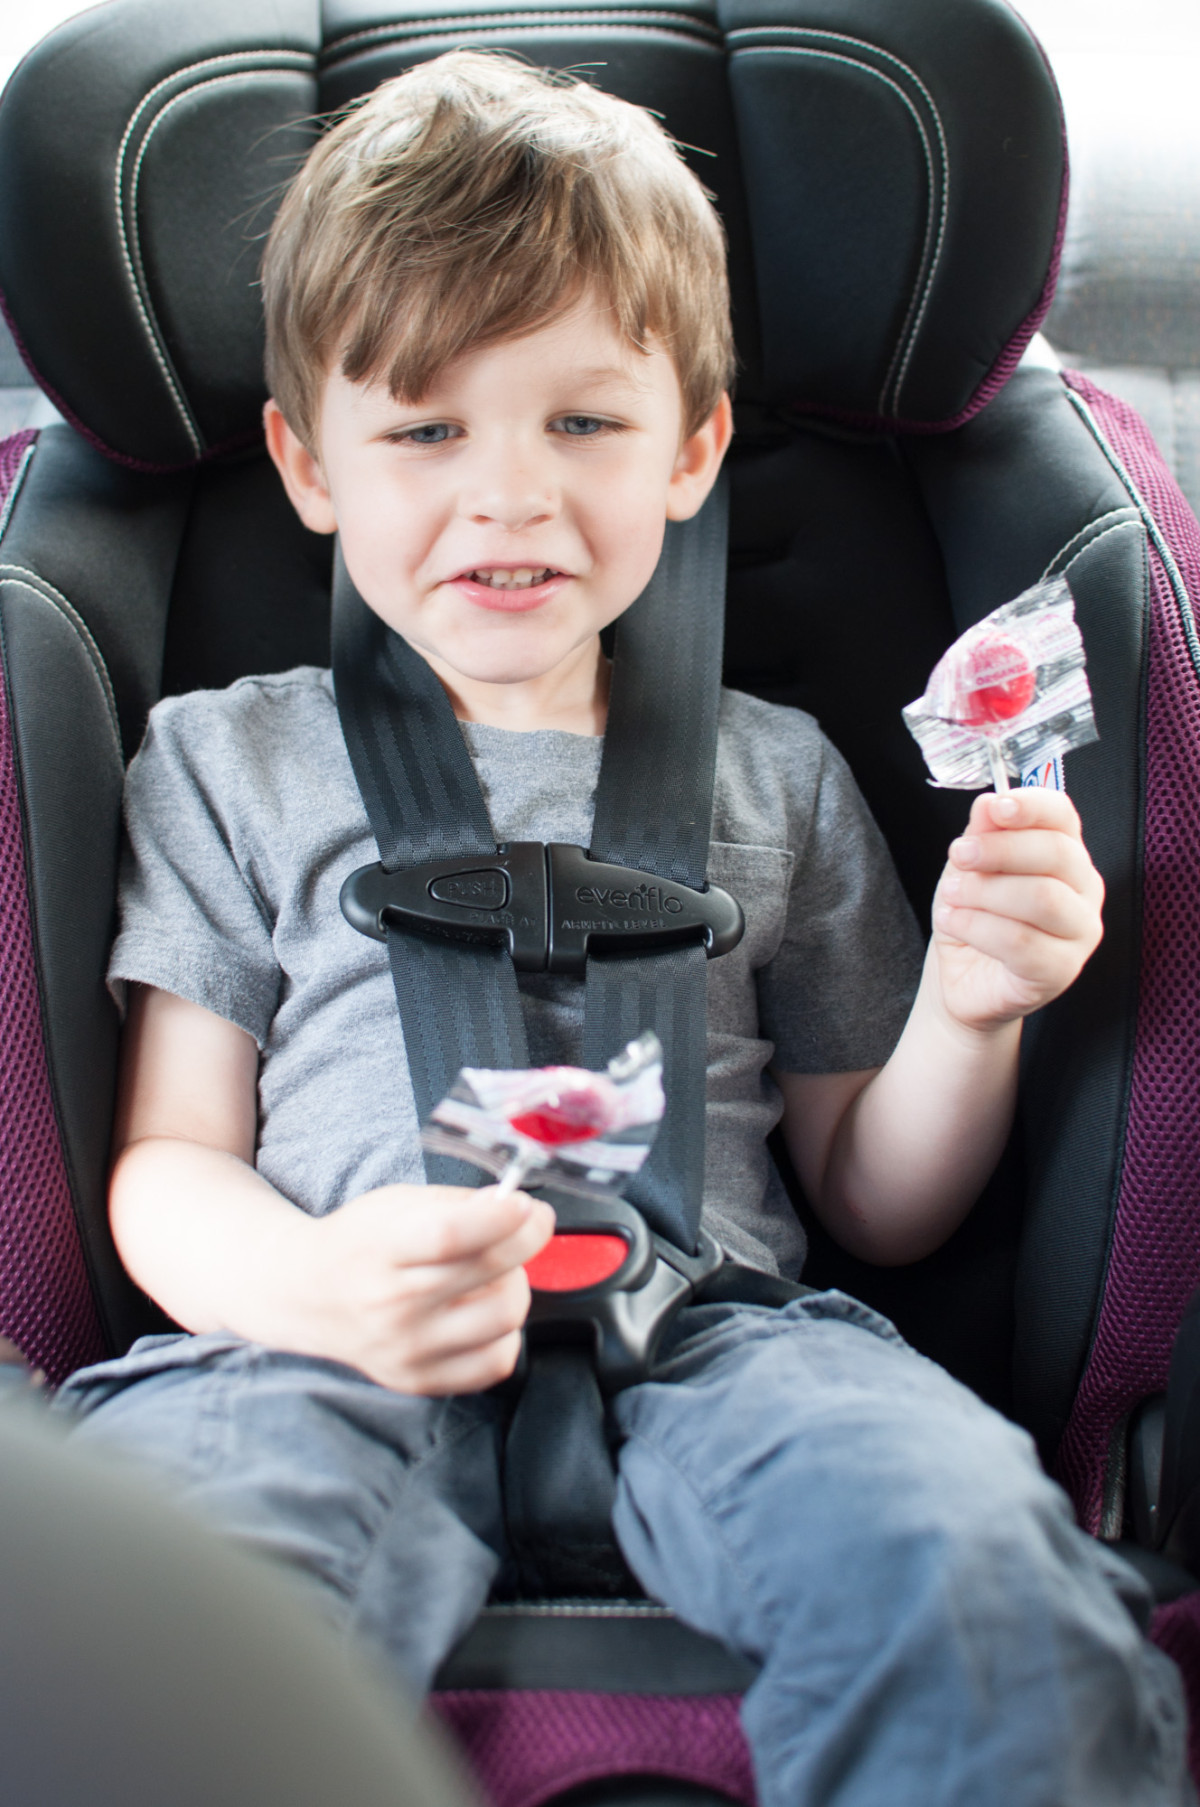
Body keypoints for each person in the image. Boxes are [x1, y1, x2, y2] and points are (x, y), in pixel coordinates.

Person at [57, 50, 1189, 1806]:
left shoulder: (779, 774)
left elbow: (877, 1198)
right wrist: (306, 1286)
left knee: (982, 1592)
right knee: (134, 1644)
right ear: (306, 462)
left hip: (727, 1337)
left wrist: (974, 1004)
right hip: (311, 1336)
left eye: (582, 424)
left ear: (694, 448)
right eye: (425, 429)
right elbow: (168, 1162)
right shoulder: (226, 760)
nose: (508, 494)